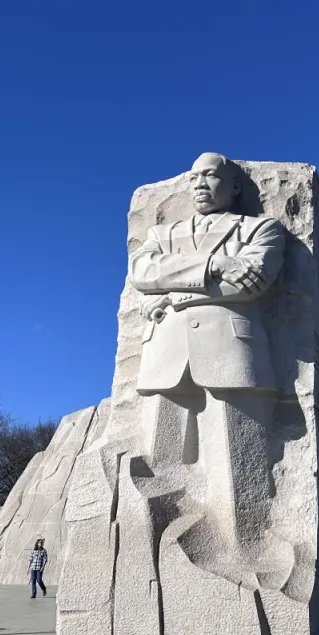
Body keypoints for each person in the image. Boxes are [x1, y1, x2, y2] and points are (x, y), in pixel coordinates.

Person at [129, 152, 286, 562]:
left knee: (238, 463)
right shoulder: (163, 234)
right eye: (194, 178)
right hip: (166, 353)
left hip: (232, 351)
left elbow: (254, 281)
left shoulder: (260, 228)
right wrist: (215, 264)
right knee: (160, 464)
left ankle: (246, 552)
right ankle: (156, 558)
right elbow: (143, 273)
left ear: (234, 186)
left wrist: (173, 293)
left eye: (210, 176)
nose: (199, 184)